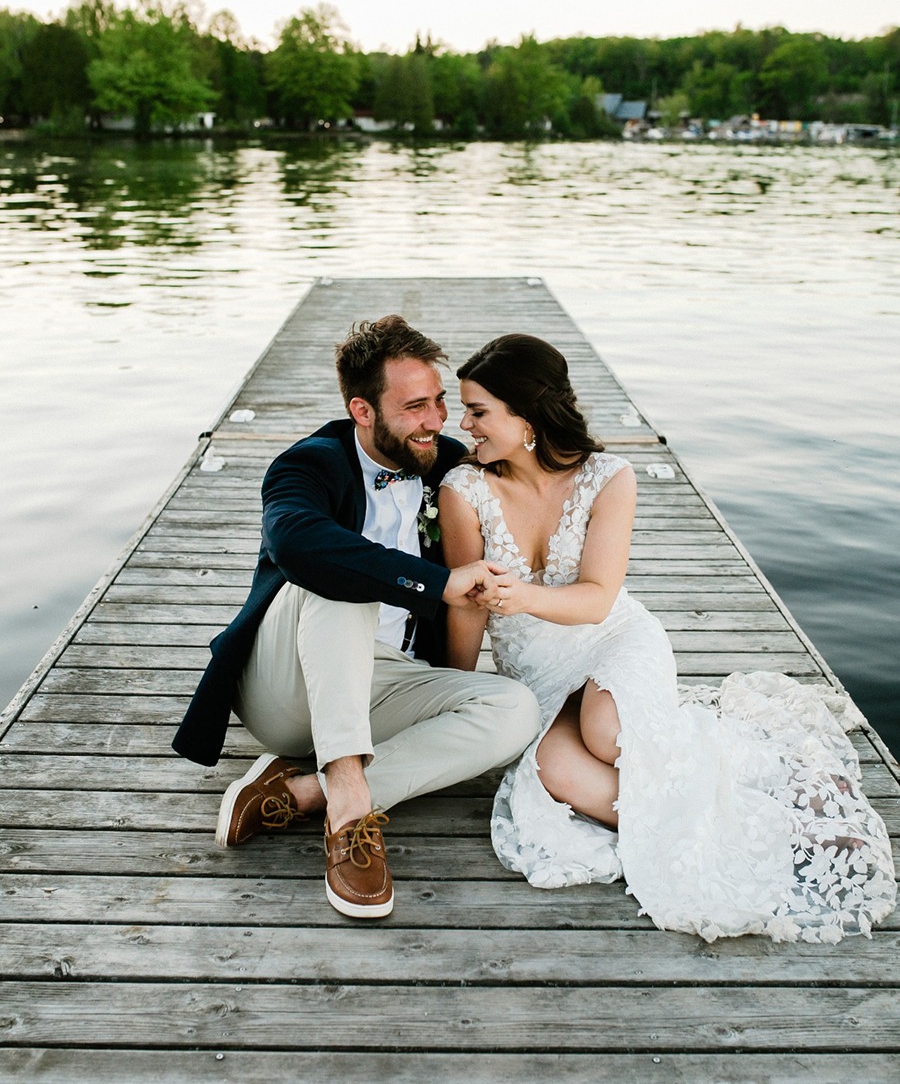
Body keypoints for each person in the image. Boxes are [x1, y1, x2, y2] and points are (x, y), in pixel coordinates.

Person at [439, 333, 896, 943]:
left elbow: (600, 595)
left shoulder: (609, 477)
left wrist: (520, 596)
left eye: (477, 410)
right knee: (557, 775)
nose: (462, 423)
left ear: (526, 414)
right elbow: (467, 610)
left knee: (607, 733)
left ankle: (776, 807)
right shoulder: (462, 491)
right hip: (539, 672)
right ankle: (735, 827)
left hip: (614, 640)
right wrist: (457, 695)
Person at [172, 316, 541, 920]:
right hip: (284, 688)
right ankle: (347, 810)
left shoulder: (448, 466)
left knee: (513, 708)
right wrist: (439, 582)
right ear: (362, 410)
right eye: (415, 407)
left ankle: (297, 794)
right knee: (338, 575)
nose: (436, 421)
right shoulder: (306, 465)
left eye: (440, 402)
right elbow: (298, 544)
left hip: (383, 683)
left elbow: (535, 479)